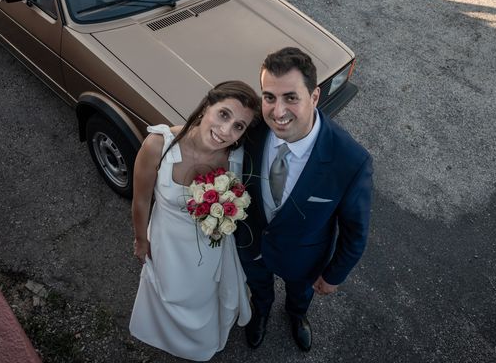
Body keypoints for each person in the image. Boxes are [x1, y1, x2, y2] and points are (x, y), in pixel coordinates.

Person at [235, 47, 373, 352]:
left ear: (314, 97)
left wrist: (334, 275)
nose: (277, 111)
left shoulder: (350, 161)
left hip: (304, 259)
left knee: (300, 294)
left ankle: (297, 316)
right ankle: (261, 312)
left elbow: (355, 232)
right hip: (252, 241)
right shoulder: (253, 129)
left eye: (291, 98)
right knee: (258, 287)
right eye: (269, 97)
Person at [129, 81, 260, 361]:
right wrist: (141, 240)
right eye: (224, 114)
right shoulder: (158, 145)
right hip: (167, 243)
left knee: (201, 296)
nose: (226, 131)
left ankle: (200, 343)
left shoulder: (234, 158)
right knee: (170, 290)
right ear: (206, 107)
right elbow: (140, 201)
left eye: (238, 126)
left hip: (209, 247)